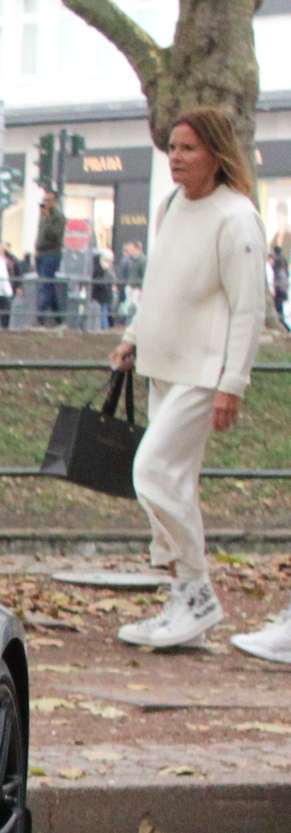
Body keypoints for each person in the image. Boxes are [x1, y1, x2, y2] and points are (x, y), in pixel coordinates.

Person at [109, 106, 269, 653]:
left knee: (152, 472)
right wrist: (133, 335)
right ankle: (184, 599)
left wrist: (234, 383)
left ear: (216, 154)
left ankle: (197, 591)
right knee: (174, 483)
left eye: (188, 149)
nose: (175, 158)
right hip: (162, 364)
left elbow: (250, 309)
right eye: (172, 147)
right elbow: (161, 282)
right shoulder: (171, 205)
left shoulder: (236, 218)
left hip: (205, 370)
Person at [35, 193, 67, 326]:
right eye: (44, 200)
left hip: (51, 253)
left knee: (45, 283)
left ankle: (40, 315)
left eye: (48, 200)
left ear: (54, 201)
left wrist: (48, 218)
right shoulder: (43, 216)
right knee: (49, 285)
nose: (45, 203)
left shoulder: (58, 217)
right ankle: (58, 317)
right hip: (41, 253)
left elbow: (55, 235)